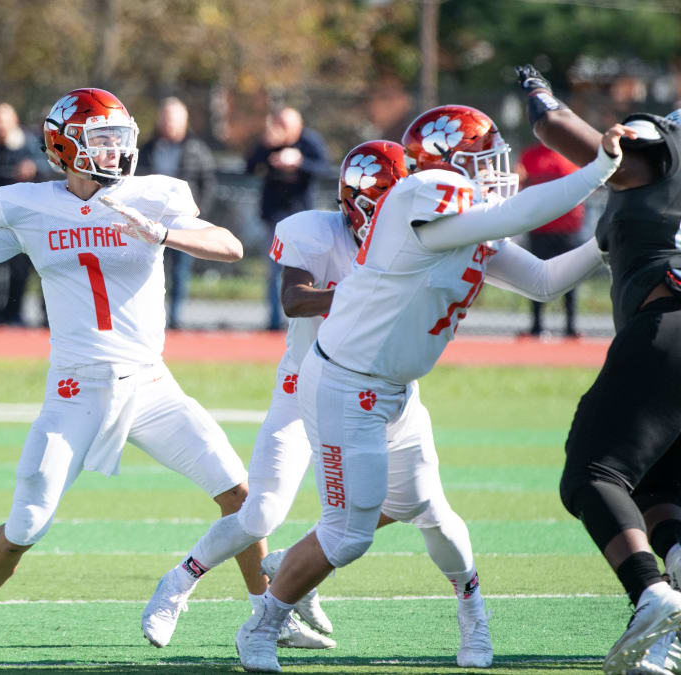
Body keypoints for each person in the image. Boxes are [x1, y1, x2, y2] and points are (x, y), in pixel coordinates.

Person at [234, 105, 631, 673]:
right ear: (442, 165)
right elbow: (520, 210)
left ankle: (474, 621)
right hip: (346, 384)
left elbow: (544, 283)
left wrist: (603, 242)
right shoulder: (423, 198)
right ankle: (263, 626)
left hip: (395, 387)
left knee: (432, 512)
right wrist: (598, 170)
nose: (496, 167)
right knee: (349, 537)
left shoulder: (469, 220)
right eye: (478, 158)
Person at [0, 87, 263, 645]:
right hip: (75, 390)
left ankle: (268, 612)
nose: (116, 151)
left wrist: (162, 234)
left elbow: (229, 246)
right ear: (65, 147)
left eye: (119, 139)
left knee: (241, 494)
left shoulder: (157, 194)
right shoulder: (26, 204)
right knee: (26, 525)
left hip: (150, 384)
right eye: (103, 140)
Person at [143, 141, 492, 666]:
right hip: (306, 389)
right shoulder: (315, 231)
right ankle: (179, 582)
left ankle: (300, 568)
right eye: (381, 202)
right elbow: (294, 299)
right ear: (354, 201)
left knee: (423, 507)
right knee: (260, 511)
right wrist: (369, 291)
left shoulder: (421, 240)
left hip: (381, 391)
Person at [516, 64, 681, 674]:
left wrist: (537, 93)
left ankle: (650, 593)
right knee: (659, 489)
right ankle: (668, 625)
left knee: (593, 472)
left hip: (667, 328)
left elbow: (563, 129)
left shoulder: (657, 151)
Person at [245, 106, 332, 331]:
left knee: (306, 269)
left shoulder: (309, 141)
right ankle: (275, 321)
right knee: (275, 270)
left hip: (301, 215)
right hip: (275, 215)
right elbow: (249, 167)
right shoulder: (268, 142)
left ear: (298, 125)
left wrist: (298, 162)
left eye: (286, 125)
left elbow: (323, 168)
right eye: (279, 124)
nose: (281, 130)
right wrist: (266, 148)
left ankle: (306, 319)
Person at [138, 97, 217, 329]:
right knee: (150, 269)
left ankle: (176, 318)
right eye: (165, 118)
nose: (169, 124)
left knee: (180, 272)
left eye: (174, 119)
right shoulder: (147, 149)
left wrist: (198, 214)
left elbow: (208, 183)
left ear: (184, 121)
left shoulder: (197, 149)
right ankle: (151, 316)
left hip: (182, 222)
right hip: (149, 221)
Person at [0, 102, 38, 326]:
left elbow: (44, 165)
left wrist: (33, 168)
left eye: (3, 121)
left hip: (21, 219)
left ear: (14, 122)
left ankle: (15, 313)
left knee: (20, 268)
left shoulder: (28, 145)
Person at [516, 141, 586, 338]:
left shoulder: (572, 153)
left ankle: (568, 326)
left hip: (563, 229)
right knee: (538, 277)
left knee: (568, 279)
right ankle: (539, 325)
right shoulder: (532, 155)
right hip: (542, 228)